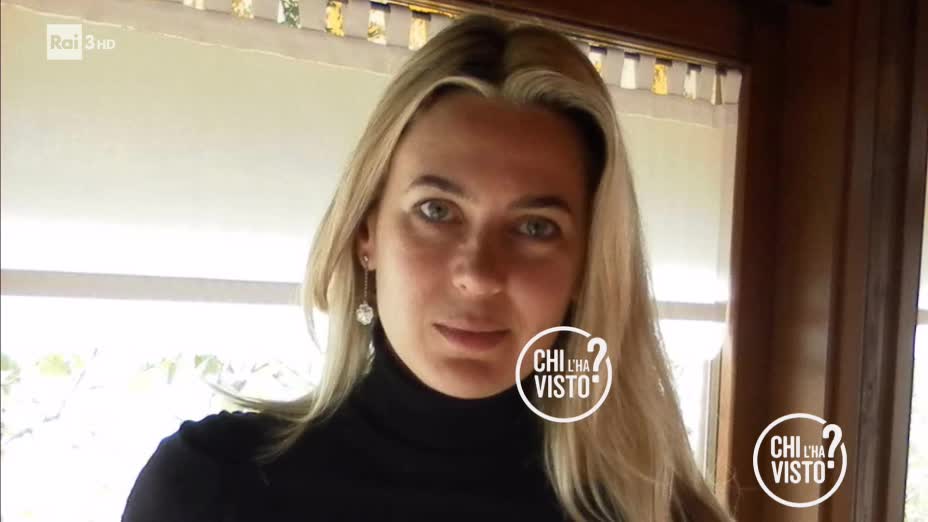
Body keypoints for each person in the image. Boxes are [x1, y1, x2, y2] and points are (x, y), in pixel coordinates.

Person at [122, 14, 733, 522]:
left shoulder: (659, 514)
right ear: (366, 233)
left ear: (585, 269)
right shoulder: (208, 489)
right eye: (436, 211)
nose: (479, 273)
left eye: (535, 227)